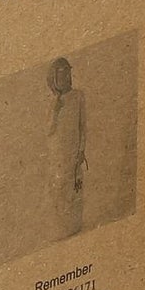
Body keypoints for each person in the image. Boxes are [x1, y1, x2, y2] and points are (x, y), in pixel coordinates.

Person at [42, 56, 87, 238]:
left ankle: (74, 226)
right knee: (58, 189)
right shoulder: (51, 102)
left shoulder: (78, 96)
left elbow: (82, 126)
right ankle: (59, 228)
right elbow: (48, 129)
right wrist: (56, 108)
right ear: (54, 79)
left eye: (68, 74)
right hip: (57, 154)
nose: (67, 78)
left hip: (73, 152)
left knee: (74, 186)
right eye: (62, 76)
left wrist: (81, 150)